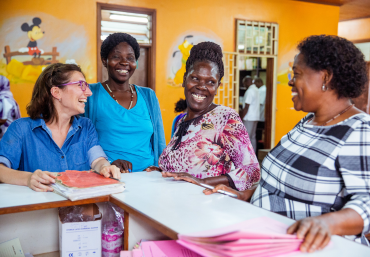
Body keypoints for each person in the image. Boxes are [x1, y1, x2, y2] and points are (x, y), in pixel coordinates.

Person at [204, 35, 370, 252]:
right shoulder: (307, 122)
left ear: (325, 78)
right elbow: (279, 180)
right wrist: (247, 194)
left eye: (297, 74)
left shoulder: (359, 130)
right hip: (269, 241)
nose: (291, 80)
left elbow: (366, 202)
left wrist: (327, 223)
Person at [146, 42, 260, 192]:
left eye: (211, 82)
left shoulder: (225, 118)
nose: (201, 86)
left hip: (209, 207)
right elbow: (184, 170)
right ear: (184, 79)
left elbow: (252, 171)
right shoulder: (181, 122)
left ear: (217, 87)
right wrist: (160, 172)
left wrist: (203, 182)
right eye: (195, 78)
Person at [0, 63, 121, 192]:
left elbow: (97, 160)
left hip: (79, 208)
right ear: (56, 92)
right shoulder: (20, 128)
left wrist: (105, 167)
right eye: (81, 85)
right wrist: (28, 178)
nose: (89, 92)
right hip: (37, 210)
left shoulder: (86, 126)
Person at [83, 33, 166, 172]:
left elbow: (160, 142)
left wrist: (161, 168)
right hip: (107, 176)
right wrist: (106, 164)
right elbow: (80, 141)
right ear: (104, 60)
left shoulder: (148, 96)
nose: (124, 62)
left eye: (130, 58)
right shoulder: (91, 94)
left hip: (149, 178)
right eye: (116, 57)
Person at [240, 77, 260, 153]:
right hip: (255, 117)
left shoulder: (249, 91)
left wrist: (241, 118)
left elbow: (246, 106)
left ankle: (247, 156)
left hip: (249, 117)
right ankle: (253, 154)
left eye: (244, 83)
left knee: (246, 137)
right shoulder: (256, 89)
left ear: (247, 82)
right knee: (253, 137)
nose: (244, 85)